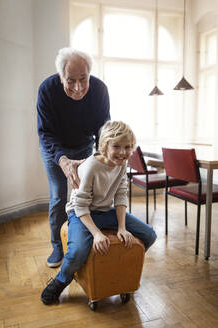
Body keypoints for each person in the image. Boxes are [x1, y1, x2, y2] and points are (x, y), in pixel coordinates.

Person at [41, 120, 157, 305]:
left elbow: (120, 195)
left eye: (127, 147)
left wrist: (122, 227)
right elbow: (79, 205)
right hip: (81, 213)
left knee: (149, 235)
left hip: (105, 211)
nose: (122, 152)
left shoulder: (121, 163)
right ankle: (60, 280)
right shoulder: (91, 166)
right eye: (116, 146)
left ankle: (124, 268)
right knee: (77, 251)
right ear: (104, 146)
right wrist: (96, 234)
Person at [37, 48, 110, 268]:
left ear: (89, 74)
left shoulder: (100, 90)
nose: (78, 88)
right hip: (54, 149)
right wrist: (63, 160)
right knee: (59, 197)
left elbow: (103, 129)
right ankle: (57, 245)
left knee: (85, 195)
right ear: (61, 77)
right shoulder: (47, 90)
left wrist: (102, 157)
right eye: (71, 81)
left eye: (83, 80)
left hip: (84, 145)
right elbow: (45, 133)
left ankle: (81, 240)